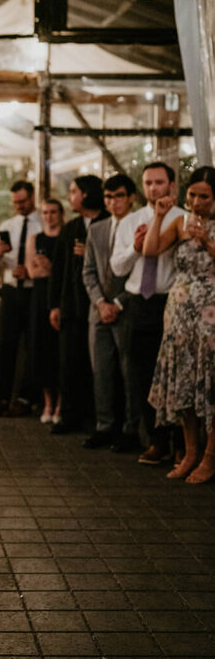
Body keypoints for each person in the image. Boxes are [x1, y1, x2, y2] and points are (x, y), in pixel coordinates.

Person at [110, 162, 184, 465]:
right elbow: (117, 266)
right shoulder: (131, 221)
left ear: (171, 185)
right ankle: (155, 439)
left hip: (170, 301)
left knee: (175, 375)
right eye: (149, 183)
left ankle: (179, 441)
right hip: (138, 301)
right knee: (142, 374)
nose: (154, 188)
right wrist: (135, 248)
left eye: (159, 182)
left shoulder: (182, 218)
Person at [145, 166, 215, 483]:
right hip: (180, 311)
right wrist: (160, 216)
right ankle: (189, 452)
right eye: (192, 195)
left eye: (204, 196)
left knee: (209, 382)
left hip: (210, 312)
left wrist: (208, 243)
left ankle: (210, 457)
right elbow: (151, 250)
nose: (197, 202)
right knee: (184, 381)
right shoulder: (179, 221)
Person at [82, 174, 139, 451]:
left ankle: (131, 429)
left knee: (129, 372)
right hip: (99, 310)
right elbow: (88, 272)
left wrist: (117, 303)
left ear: (130, 197)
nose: (113, 202)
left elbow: (142, 273)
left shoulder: (141, 225)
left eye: (118, 196)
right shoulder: (97, 228)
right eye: (108, 197)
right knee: (101, 371)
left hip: (127, 309)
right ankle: (104, 426)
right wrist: (100, 303)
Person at [48, 175, 108, 434]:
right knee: (69, 362)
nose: (70, 196)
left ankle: (98, 418)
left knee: (99, 365)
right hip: (71, 305)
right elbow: (58, 270)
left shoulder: (107, 222)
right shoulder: (71, 228)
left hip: (100, 305)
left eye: (73, 191)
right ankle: (70, 415)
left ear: (86, 194)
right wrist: (55, 305)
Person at [0, 180, 42, 417]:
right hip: (10, 290)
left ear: (32, 197)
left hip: (34, 290)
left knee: (33, 345)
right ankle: (2, 398)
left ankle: (25, 399)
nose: (19, 205)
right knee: (6, 345)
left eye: (23, 201)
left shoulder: (42, 224)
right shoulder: (8, 225)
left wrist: (30, 270)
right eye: (16, 202)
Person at [25, 197, 64, 424]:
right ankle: (48, 403)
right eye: (46, 212)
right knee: (41, 350)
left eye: (53, 212)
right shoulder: (35, 238)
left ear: (60, 214)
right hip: (39, 297)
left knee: (59, 350)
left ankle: (61, 404)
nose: (49, 216)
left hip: (58, 296)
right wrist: (48, 269)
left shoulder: (64, 238)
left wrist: (49, 268)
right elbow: (32, 271)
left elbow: (58, 272)